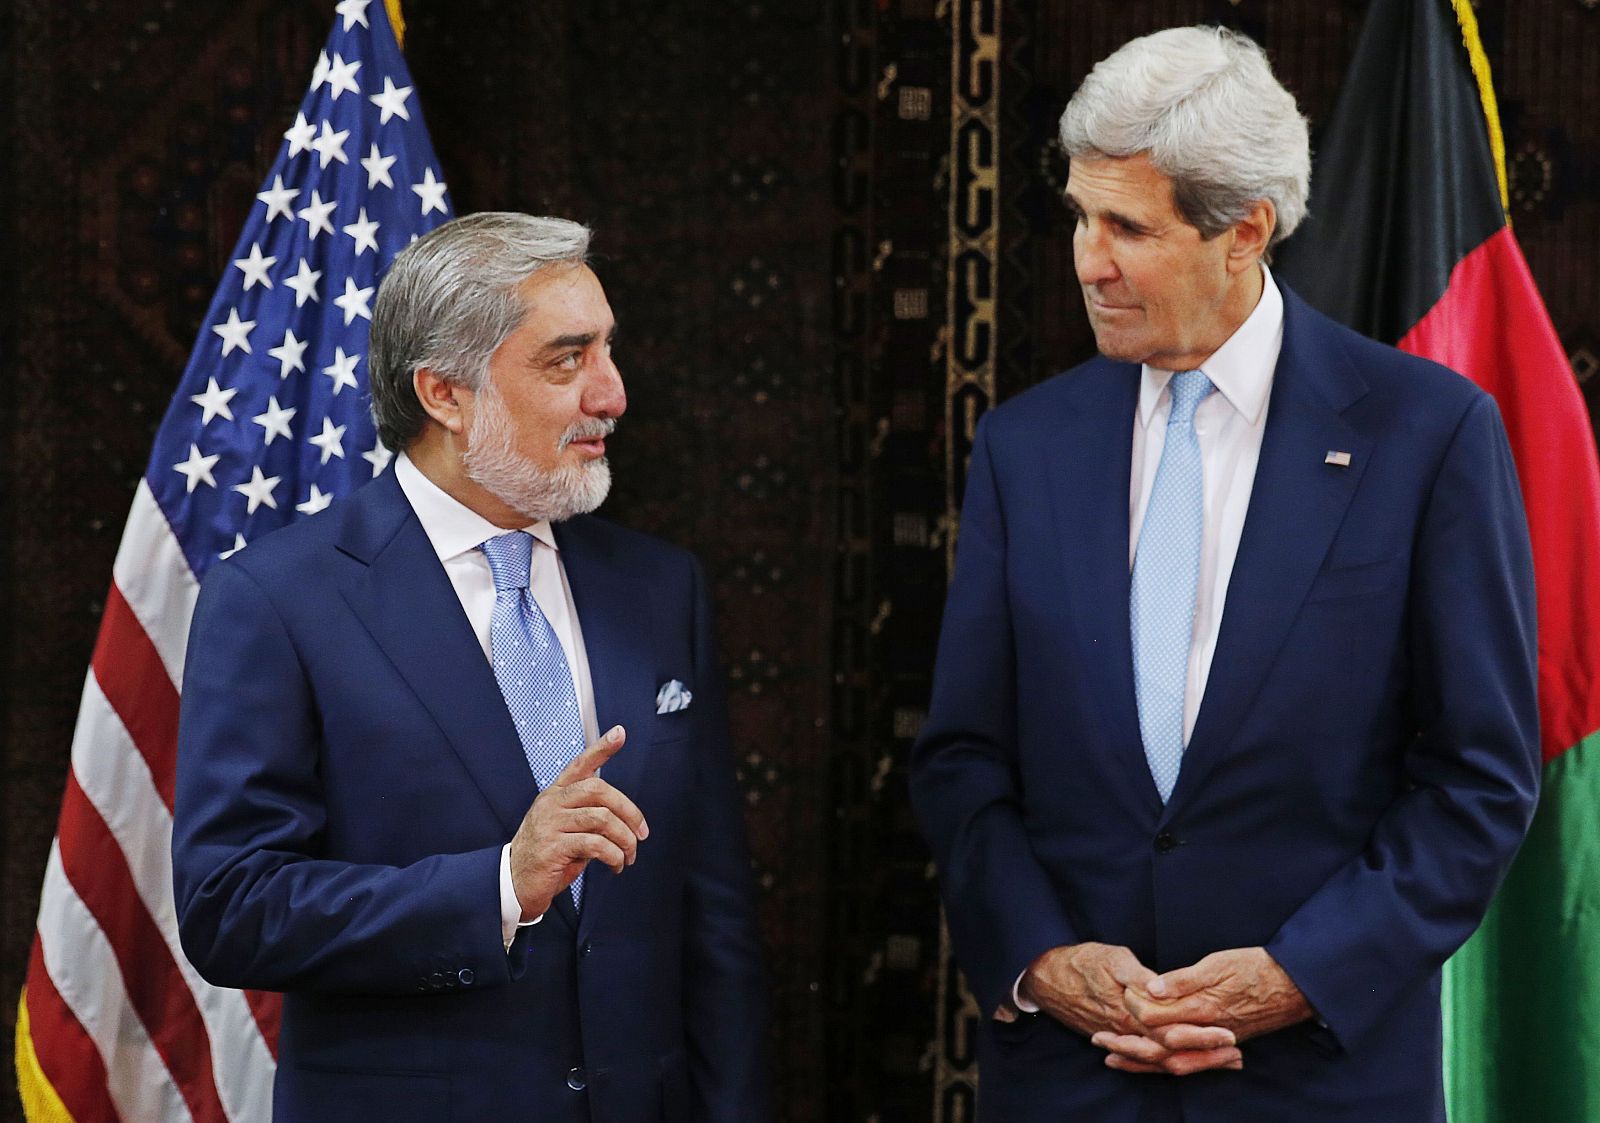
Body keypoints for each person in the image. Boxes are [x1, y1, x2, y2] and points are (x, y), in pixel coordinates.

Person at [909, 25, 1538, 1123]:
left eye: (1127, 227)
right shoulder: (1026, 444)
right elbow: (964, 756)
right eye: (1080, 217)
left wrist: (1299, 975)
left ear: (1244, 229)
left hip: (1318, 1082)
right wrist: (1044, 959)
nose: (1087, 261)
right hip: (1073, 1079)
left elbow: (1477, 777)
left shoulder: (1426, 434)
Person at [173, 212, 769, 1122]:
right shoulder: (277, 599)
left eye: (608, 350)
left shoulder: (660, 587)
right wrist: (498, 886)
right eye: (566, 361)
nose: (612, 393)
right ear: (445, 395)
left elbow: (713, 914)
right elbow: (232, 906)